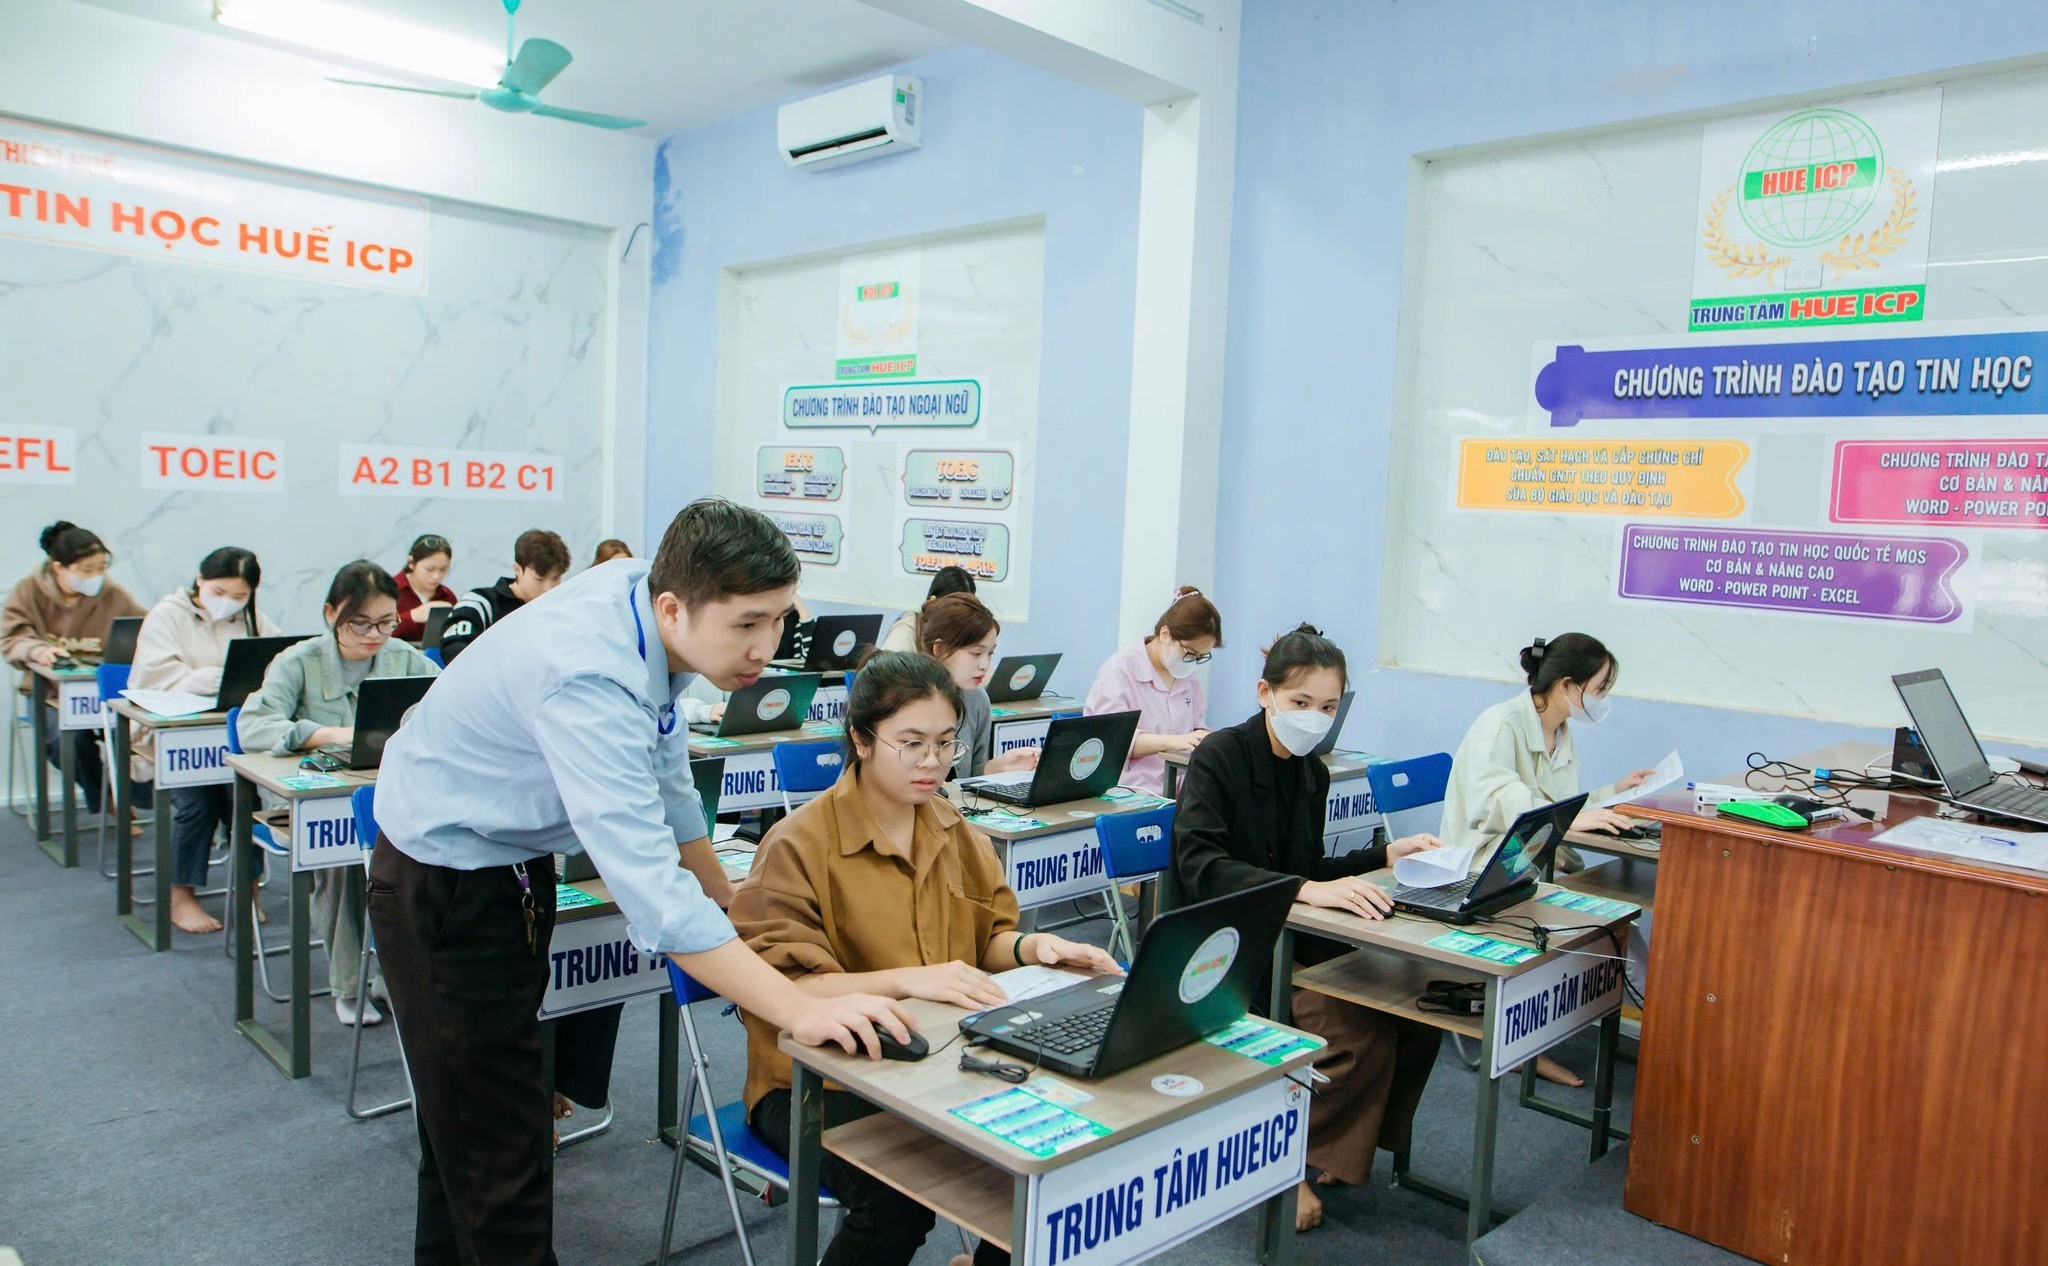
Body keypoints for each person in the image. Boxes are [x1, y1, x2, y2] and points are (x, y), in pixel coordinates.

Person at [367, 498, 910, 1266]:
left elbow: (665, 762)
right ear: (674, 608)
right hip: (446, 880)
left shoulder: (648, 592)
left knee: (467, 1129)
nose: (767, 647)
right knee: (500, 1150)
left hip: (507, 864)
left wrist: (726, 898)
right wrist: (797, 1008)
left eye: (779, 619)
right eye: (747, 623)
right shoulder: (588, 676)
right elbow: (656, 900)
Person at [730, 651, 1118, 1266]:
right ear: (862, 739)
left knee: (1048, 1155)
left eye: (945, 743)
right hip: (811, 1081)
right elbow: (782, 991)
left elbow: (986, 941)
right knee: (896, 1206)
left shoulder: (953, 827)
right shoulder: (798, 844)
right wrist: (912, 981)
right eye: (911, 743)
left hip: (934, 1060)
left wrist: (1034, 948)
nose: (933, 761)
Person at [1173, 625, 1446, 1232]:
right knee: (1357, 1034)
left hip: (1293, 928)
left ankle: (1344, 1142)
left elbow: (1309, 867)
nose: (1314, 719)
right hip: (1228, 939)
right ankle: (1274, 1161)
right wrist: (1303, 888)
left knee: (1416, 1014)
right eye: (1301, 702)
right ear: (1265, 693)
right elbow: (1201, 866)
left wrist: (1384, 855)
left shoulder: (1310, 773)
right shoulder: (1220, 756)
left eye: (1328, 707)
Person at [1439, 632, 1655, 1087]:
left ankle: (1648, 1032)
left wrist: (1615, 792)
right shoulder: (1501, 725)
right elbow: (1507, 804)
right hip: (1484, 867)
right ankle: (1522, 1046)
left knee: (1618, 924)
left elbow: (1560, 803)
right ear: (1566, 686)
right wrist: (1570, 822)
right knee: (1594, 924)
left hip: (1535, 859)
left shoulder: (1560, 730)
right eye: (1598, 689)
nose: (1601, 700)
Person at [237, 561, 437, 1026]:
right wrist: (324, 734)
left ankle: (393, 977)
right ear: (331, 614)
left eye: (386, 622)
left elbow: (450, 701)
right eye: (360, 624)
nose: (375, 635)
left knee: (428, 858)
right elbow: (251, 726)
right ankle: (348, 985)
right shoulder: (297, 661)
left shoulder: (404, 657)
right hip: (308, 803)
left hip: (387, 795)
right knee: (341, 863)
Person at [131, 547, 281, 934]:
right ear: (200, 581)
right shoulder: (167, 615)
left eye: (239, 596)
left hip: (232, 737)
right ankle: (180, 897)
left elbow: (278, 664)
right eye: (219, 592)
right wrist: (214, 677)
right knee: (196, 802)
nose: (228, 602)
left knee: (243, 798)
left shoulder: (254, 619)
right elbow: (154, 677)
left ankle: (248, 888)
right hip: (179, 739)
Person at [2, 521, 146, 816]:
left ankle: (131, 796)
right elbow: (11, 637)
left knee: (133, 733)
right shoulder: (29, 591)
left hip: (103, 692)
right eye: (87, 570)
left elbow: (147, 629)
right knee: (69, 738)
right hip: (49, 693)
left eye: (102, 567)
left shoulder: (114, 595)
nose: (96, 576)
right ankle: (107, 800)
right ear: (59, 568)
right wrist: (37, 650)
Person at [1083, 584, 1222, 795]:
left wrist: (1205, 739)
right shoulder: (1120, 670)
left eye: (1200, 657)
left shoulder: (1189, 679)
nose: (1192, 662)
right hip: (1126, 790)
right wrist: (1175, 741)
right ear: (1165, 634)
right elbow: (1110, 741)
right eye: (1190, 653)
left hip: (1179, 789)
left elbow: (1196, 727)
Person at [913, 593, 1038, 779]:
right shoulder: (906, 701)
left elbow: (969, 777)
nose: (984, 665)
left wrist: (1001, 765)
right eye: (976, 654)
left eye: (990, 653)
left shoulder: (976, 700)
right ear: (940, 649)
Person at [438, 528, 570, 663]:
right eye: (539, 579)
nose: (548, 588)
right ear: (517, 569)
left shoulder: (565, 609)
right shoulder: (481, 603)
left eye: (556, 578)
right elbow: (454, 649)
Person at [878, 564, 976, 653]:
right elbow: (885, 666)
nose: (961, 618)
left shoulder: (960, 634)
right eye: (955, 609)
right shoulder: (906, 631)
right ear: (934, 601)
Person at [394, 534, 456, 644]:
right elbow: (371, 632)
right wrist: (412, 616)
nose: (436, 576)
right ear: (411, 563)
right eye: (429, 569)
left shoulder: (447, 596)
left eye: (443, 569)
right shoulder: (388, 591)